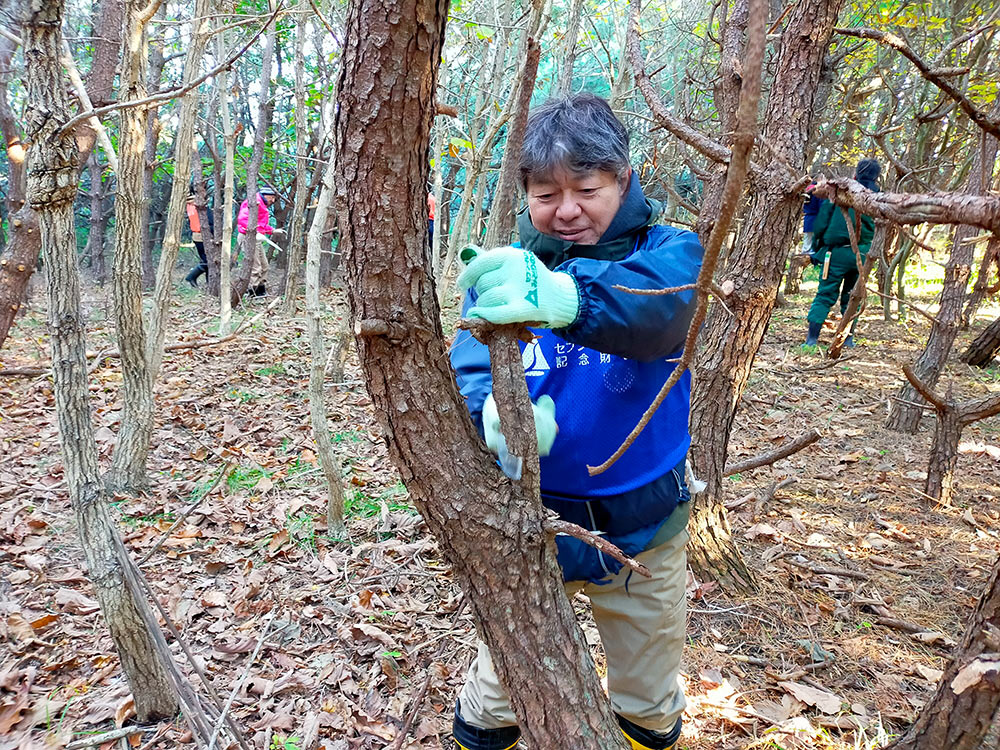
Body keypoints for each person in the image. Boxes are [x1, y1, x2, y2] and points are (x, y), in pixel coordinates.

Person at [449, 93, 702, 750]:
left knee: (647, 702)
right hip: (527, 524)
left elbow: (661, 311)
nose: (565, 210)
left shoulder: (671, 252)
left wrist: (564, 297)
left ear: (622, 177)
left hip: (644, 529)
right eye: (545, 193)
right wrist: (489, 415)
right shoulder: (504, 272)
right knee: (496, 693)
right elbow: (470, 364)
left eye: (586, 188)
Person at [804, 158, 881, 347]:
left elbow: (822, 222)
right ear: (877, 177)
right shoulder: (880, 197)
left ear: (856, 174)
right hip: (863, 256)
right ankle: (848, 339)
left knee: (825, 294)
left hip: (836, 254)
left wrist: (818, 247)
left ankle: (811, 339)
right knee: (852, 297)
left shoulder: (841, 193)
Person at [237, 184, 284, 296]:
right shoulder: (254, 202)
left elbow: (261, 224)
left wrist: (272, 230)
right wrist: (253, 230)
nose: (273, 200)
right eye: (271, 197)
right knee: (255, 267)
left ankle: (261, 290)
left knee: (264, 265)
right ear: (265, 195)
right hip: (248, 237)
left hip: (257, 238)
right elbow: (243, 220)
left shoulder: (262, 204)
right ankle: (252, 292)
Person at [184, 192, 215, 288]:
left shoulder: (189, 205)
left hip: (196, 235)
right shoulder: (200, 207)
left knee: (207, 260)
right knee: (208, 260)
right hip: (204, 235)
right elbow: (210, 222)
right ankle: (192, 276)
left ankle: (209, 283)